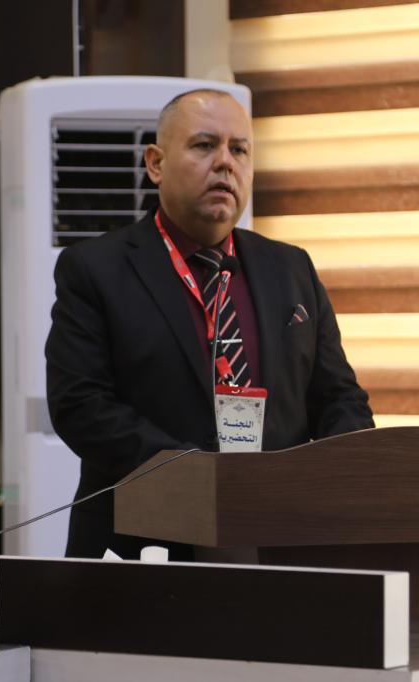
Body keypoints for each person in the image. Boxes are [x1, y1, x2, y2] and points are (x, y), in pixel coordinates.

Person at [45, 89, 374, 560]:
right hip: (144, 543)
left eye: (239, 149)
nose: (225, 162)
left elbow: (339, 397)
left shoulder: (291, 267)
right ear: (155, 164)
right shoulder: (95, 268)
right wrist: (203, 481)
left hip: (280, 539)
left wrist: (338, 475)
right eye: (204, 145)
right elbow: (81, 406)